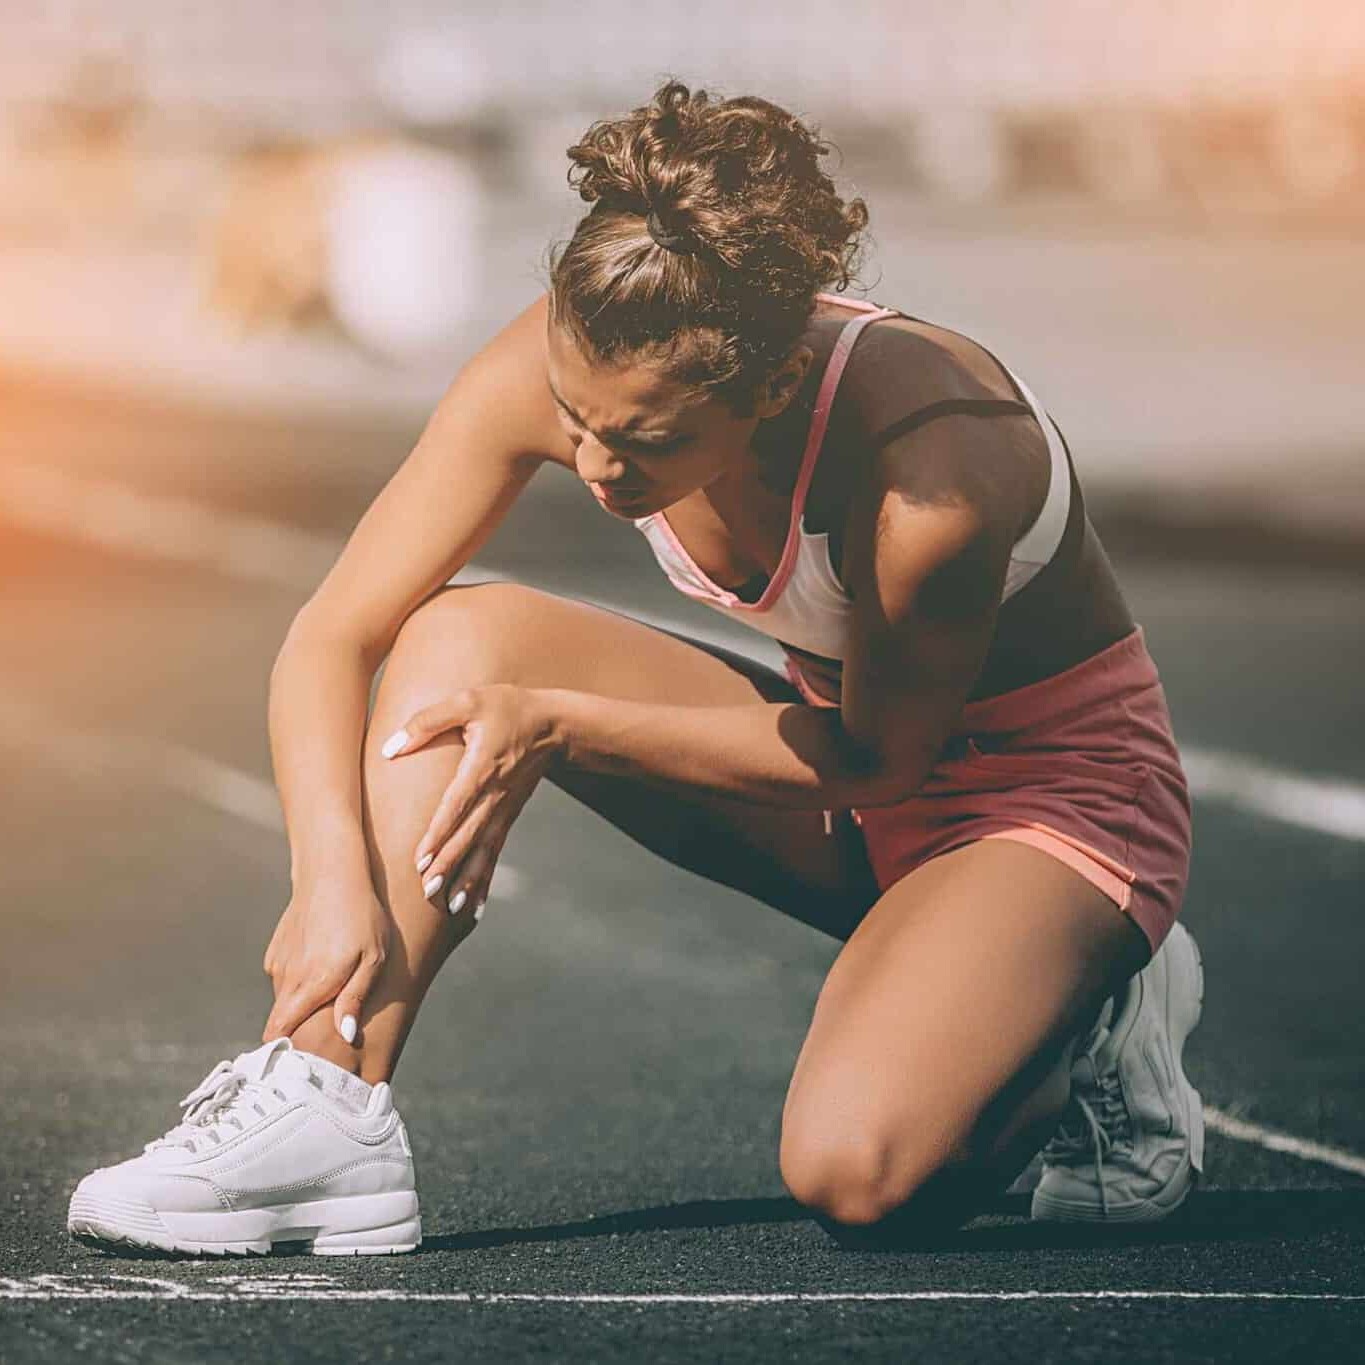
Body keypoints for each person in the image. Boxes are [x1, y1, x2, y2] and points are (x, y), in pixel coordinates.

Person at [67, 81, 1203, 1256]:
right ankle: (326, 1105)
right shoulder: (581, 356)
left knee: (860, 1176)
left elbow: (876, 761)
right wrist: (330, 881)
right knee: (456, 637)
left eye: (650, 442)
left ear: (768, 388)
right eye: (575, 418)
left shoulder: (938, 473)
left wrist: (562, 726)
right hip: (841, 769)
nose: (598, 466)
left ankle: (1086, 1017)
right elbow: (333, 633)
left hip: (1042, 807)